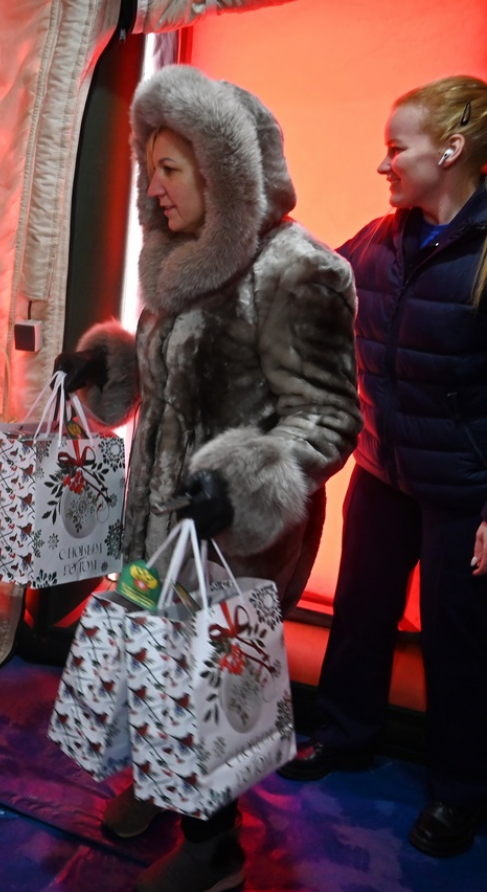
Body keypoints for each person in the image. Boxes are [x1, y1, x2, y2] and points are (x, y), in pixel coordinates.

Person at [55, 64, 361, 892]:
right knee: (151, 657)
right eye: (148, 167)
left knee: (206, 683)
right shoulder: (177, 259)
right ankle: (161, 785)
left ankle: (213, 845)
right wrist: (108, 364)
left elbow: (328, 420)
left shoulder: (298, 270)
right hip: (157, 525)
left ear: (223, 172)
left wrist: (242, 486)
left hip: (235, 540)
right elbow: (172, 380)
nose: (153, 188)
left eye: (170, 169)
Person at [278, 75, 487, 859]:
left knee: (460, 641)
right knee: (362, 610)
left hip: (464, 489)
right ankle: (345, 734)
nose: (383, 164)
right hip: (383, 471)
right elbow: (310, 286)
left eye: (396, 148)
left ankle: (460, 791)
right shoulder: (380, 238)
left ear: (452, 150)